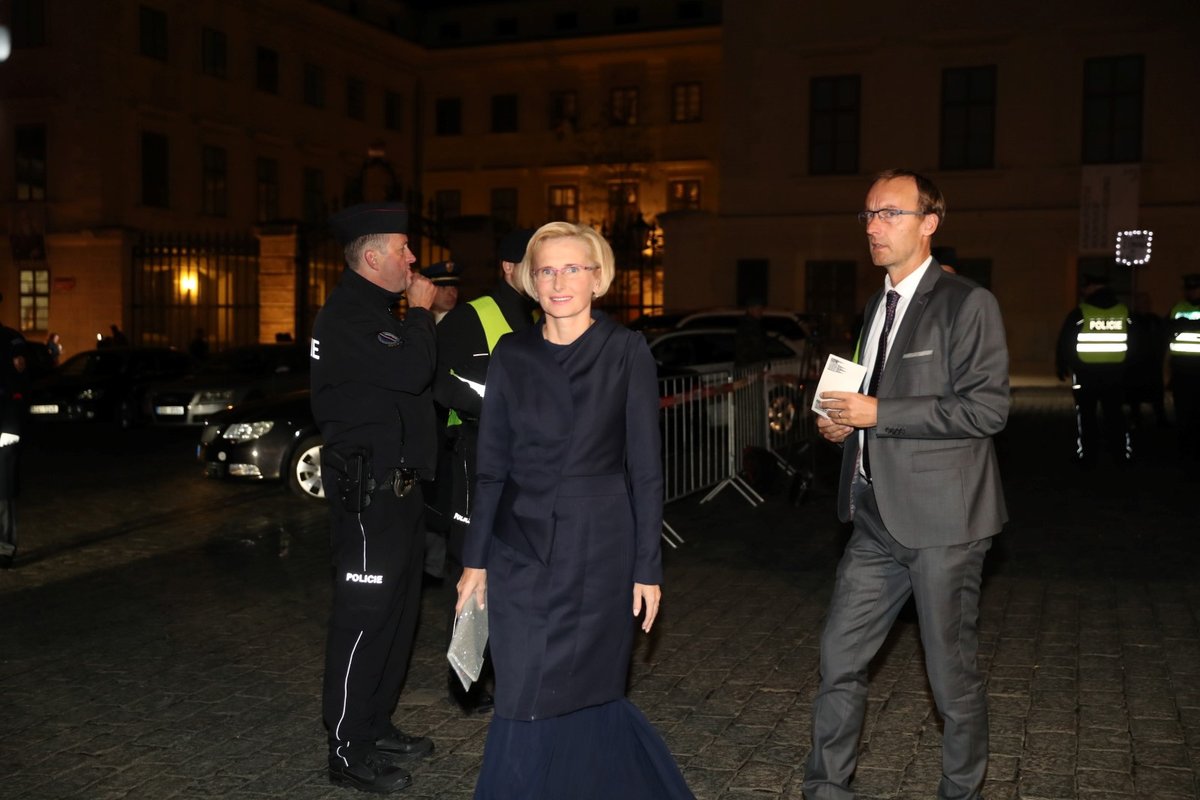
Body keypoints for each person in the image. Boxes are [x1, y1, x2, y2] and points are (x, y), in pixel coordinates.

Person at [455, 222, 693, 800]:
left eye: (572, 268)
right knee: (520, 685)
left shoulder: (626, 350)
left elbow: (644, 468)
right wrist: (475, 559)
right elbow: (491, 466)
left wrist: (648, 567)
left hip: (599, 546)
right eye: (546, 270)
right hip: (519, 546)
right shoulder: (512, 353)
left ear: (597, 277)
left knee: (588, 688)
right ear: (531, 282)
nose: (559, 281)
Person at [806, 170, 1009, 800]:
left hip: (944, 525)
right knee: (839, 659)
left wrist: (877, 415)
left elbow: (986, 410)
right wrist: (846, 426)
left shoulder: (967, 303)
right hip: (873, 517)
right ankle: (827, 789)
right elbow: (871, 395)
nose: (874, 227)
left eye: (890, 213)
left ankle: (961, 791)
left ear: (930, 222)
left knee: (950, 678)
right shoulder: (878, 304)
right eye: (868, 215)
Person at [310, 202, 439, 794]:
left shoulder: (373, 314)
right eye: (402, 249)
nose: (412, 259)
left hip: (400, 495)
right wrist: (420, 311)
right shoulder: (347, 319)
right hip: (369, 498)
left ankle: (374, 723)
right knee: (363, 621)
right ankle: (345, 747)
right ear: (371, 257)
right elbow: (413, 370)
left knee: (398, 618)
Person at [433, 227, 537, 715]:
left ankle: (508, 669)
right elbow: (442, 385)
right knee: (473, 573)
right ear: (509, 268)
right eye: (534, 265)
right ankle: (467, 681)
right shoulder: (470, 317)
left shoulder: (539, 317)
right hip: (476, 464)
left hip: (525, 469)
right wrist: (500, 406)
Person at [1055, 275, 1133, 467]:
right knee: (1115, 415)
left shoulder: (1081, 312)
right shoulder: (1124, 311)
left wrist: (1063, 364)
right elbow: (1136, 344)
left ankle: (1088, 456)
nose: (1083, 291)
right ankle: (1120, 455)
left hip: (1085, 374)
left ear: (1091, 288)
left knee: (1087, 416)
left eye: (1085, 287)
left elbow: (1066, 341)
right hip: (1115, 374)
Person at [0, 304, 28, 570]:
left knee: (3, 490)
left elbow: (18, 389)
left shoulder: (10, 340)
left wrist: (11, 428)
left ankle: (5, 548)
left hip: (3, 426)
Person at [1168, 273, 1200, 459]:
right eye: (1189, 288)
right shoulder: (1178, 308)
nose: (1191, 292)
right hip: (1181, 370)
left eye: (1195, 288)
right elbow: (1168, 330)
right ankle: (1185, 448)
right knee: (1183, 412)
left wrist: (1186, 325)